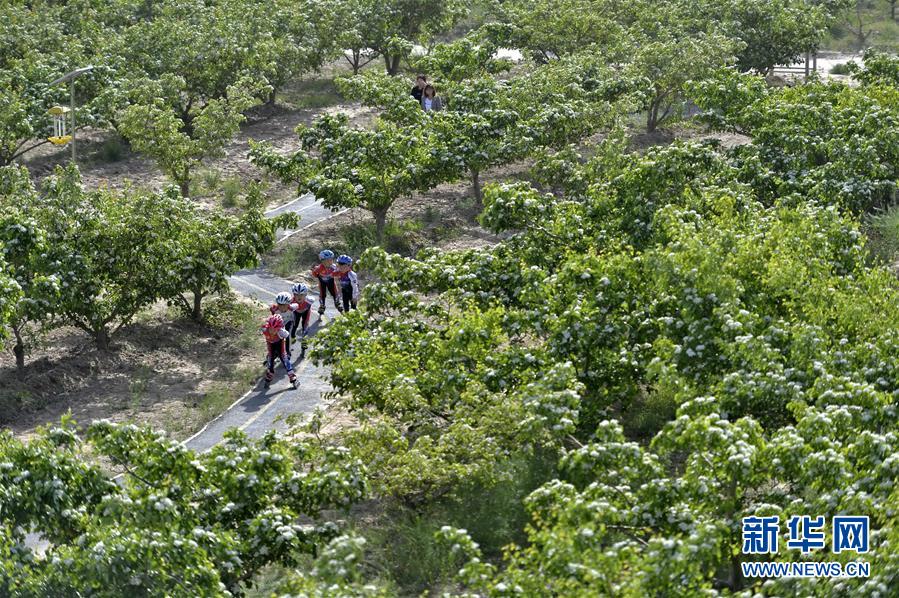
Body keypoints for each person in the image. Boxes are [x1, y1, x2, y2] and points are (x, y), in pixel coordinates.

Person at [261, 314, 298, 390]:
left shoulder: (282, 332)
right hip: (270, 344)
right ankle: (270, 373)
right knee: (270, 358)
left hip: (280, 343)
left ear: (278, 328)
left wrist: (286, 350)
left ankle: (292, 375)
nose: (272, 331)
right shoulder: (264, 329)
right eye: (270, 329)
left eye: (274, 329)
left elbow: (287, 338)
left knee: (283, 358)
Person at [311, 249, 342, 315]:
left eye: (331, 259)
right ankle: (322, 306)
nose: (330, 262)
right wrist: (316, 274)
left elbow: (339, 273)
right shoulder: (319, 268)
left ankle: (337, 303)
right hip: (322, 283)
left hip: (331, 282)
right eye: (327, 260)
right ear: (322, 261)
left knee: (335, 293)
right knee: (322, 294)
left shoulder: (334, 267)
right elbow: (314, 274)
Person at [290, 283, 315, 360]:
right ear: (293, 295)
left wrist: (306, 324)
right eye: (296, 295)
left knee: (305, 327)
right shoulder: (291, 301)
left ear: (306, 295)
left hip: (305, 313)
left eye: (301, 295)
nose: (299, 297)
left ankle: (304, 343)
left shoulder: (309, 301)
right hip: (296, 313)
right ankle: (292, 337)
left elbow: (308, 313)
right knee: (294, 327)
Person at [269, 291, 299, 356]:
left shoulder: (292, 308)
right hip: (279, 324)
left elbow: (297, 305)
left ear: (288, 304)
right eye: (280, 305)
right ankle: (276, 351)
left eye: (284, 305)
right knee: (277, 336)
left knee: (287, 335)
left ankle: (288, 352)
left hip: (289, 322)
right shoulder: (274, 309)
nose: (282, 307)